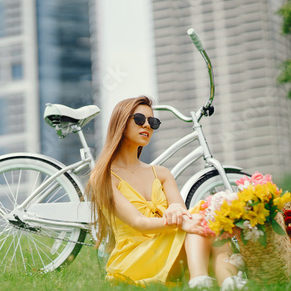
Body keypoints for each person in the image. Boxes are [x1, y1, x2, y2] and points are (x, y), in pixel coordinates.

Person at [87, 96, 246, 289]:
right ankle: (210, 279)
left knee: (204, 220)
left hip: (169, 246)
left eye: (153, 122)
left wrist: (178, 211)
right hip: (134, 258)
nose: (147, 125)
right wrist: (182, 221)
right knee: (199, 220)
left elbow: (180, 209)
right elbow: (140, 223)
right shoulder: (102, 176)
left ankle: (223, 283)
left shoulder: (162, 174)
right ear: (121, 122)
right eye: (139, 119)